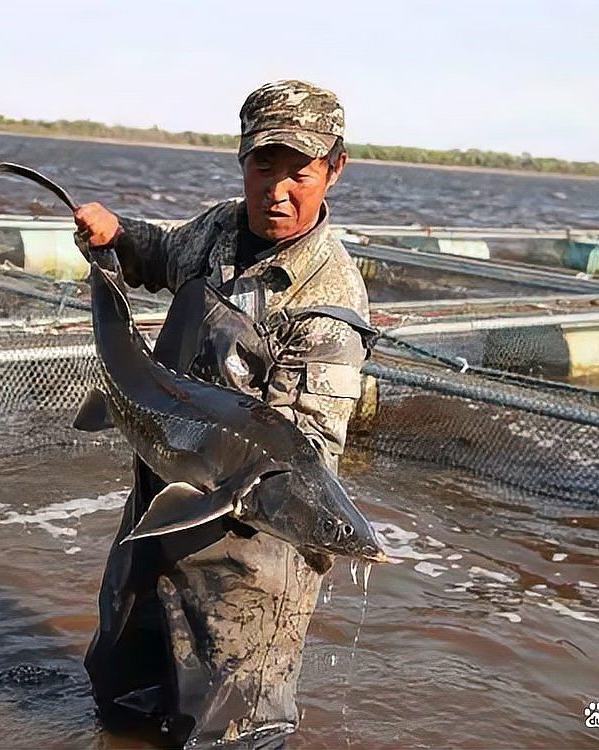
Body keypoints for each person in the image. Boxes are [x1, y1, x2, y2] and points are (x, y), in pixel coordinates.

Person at [74, 80, 373, 749]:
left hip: (251, 556)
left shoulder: (329, 301)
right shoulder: (218, 230)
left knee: (230, 733)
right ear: (242, 160)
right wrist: (117, 237)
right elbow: (158, 255)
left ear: (334, 169)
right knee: (121, 696)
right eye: (263, 168)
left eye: (300, 173)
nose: (278, 191)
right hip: (163, 497)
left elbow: (309, 450)